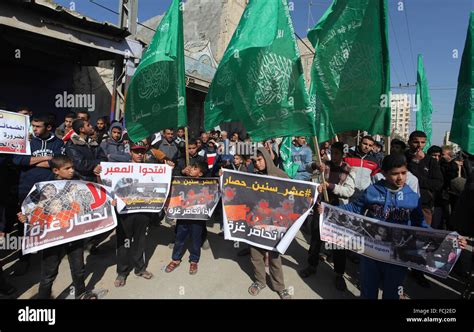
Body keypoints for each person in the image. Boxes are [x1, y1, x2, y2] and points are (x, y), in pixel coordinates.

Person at [320, 154, 428, 299]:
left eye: (403, 173)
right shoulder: (372, 191)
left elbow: (420, 223)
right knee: (368, 290)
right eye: (395, 174)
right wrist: (327, 210)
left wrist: (450, 239)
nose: (400, 178)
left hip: (398, 254)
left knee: (392, 293)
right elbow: (354, 208)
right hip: (371, 251)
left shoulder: (412, 197)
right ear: (384, 173)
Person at [17, 155, 99, 299]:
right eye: (67, 168)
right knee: (49, 273)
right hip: (53, 237)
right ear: (56, 170)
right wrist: (25, 217)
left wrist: (107, 204)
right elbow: (34, 209)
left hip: (74, 233)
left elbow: (91, 200)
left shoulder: (78, 184)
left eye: (72, 167)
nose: (71, 171)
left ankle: (81, 294)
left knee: (79, 269)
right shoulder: (45, 188)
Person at [299, 142, 356, 291]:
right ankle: (312, 265)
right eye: (333, 152)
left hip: (338, 211)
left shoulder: (349, 170)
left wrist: (330, 186)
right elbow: (306, 168)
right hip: (321, 208)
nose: (335, 156)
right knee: (316, 239)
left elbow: (348, 191)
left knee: (338, 243)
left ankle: (339, 274)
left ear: (343, 154)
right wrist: (316, 166)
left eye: (338, 153)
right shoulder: (325, 165)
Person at [12, 115, 64, 276]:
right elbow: (18, 160)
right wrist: (46, 158)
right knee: (25, 224)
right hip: (26, 189)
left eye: (38, 126)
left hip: (48, 190)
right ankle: (24, 257)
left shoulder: (58, 143)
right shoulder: (27, 141)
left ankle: (46, 255)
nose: (34, 129)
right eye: (33, 126)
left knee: (46, 221)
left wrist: (33, 160)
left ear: (48, 127)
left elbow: (57, 163)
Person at [247, 148, 292, 299]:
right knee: (256, 255)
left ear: (267, 158)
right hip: (257, 222)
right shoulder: (252, 176)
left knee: (274, 256)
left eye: (260, 159)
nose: (257, 163)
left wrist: (316, 190)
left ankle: (279, 286)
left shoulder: (280, 175)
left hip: (275, 223)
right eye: (254, 161)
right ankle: (260, 281)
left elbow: (296, 192)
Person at [113, 141, 154, 287]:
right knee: (124, 242)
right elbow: (111, 184)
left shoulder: (150, 169)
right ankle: (122, 272)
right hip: (125, 212)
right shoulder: (121, 170)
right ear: (131, 152)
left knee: (140, 240)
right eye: (136, 152)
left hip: (143, 211)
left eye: (142, 152)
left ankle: (140, 268)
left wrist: (169, 168)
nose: (139, 154)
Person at [165, 161, 209, 275]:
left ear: (200, 174)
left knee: (196, 239)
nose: (191, 169)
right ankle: (176, 259)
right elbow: (171, 179)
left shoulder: (206, 183)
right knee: (179, 237)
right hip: (183, 215)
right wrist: (173, 168)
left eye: (194, 168)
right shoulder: (182, 180)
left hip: (197, 217)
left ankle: (194, 260)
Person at [344, 135, 380, 200]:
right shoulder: (349, 155)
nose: (367, 147)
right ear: (360, 143)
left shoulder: (374, 161)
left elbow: (373, 176)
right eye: (365, 144)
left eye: (370, 145)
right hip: (348, 192)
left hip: (364, 193)